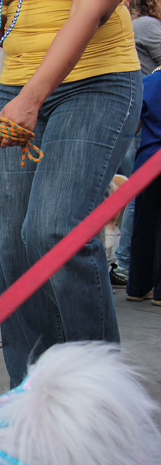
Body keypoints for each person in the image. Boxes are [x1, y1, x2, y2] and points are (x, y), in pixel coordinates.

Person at [0, 0, 141, 388]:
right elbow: (8, 28)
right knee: (13, 249)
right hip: (16, 86)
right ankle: (33, 394)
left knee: (53, 230)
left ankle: (100, 394)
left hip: (96, 83)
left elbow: (89, 13)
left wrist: (32, 98)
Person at [110, 0, 161, 288]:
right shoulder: (148, 27)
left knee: (140, 211)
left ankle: (136, 282)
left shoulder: (151, 82)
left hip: (145, 151)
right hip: (151, 149)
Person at [126, 66, 161, 306]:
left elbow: (133, 126)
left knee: (143, 225)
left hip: (148, 162)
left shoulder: (148, 82)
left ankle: (137, 286)